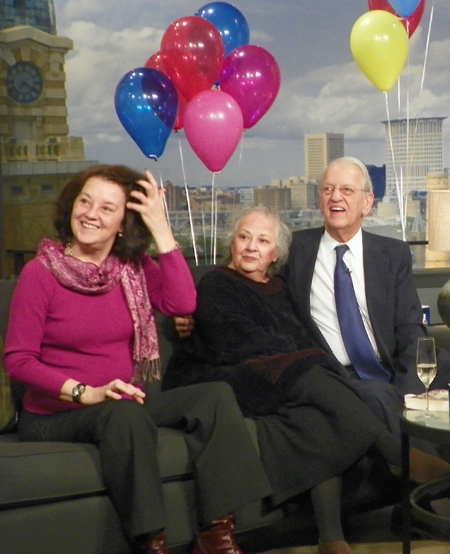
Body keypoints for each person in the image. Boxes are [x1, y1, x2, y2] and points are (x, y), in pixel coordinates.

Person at [4, 165, 272, 554]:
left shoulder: (131, 268)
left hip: (126, 399)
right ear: (71, 206)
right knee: (124, 413)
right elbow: (19, 360)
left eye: (107, 208)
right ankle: (150, 542)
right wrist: (87, 393)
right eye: (85, 201)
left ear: (122, 224)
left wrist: (162, 231)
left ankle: (217, 534)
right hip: (55, 414)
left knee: (214, 396)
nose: (91, 213)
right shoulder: (40, 273)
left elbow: (181, 302)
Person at [163, 205, 450, 554]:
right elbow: (235, 342)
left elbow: (300, 338)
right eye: (244, 237)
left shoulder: (280, 289)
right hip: (223, 377)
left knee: (316, 419)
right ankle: (395, 452)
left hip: (278, 378)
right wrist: (299, 359)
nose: (251, 246)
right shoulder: (217, 282)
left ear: (275, 254)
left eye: (262, 240)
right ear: (232, 244)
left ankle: (330, 538)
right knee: (311, 367)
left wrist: (299, 358)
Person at [281, 156, 450, 442]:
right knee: (376, 394)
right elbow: (247, 276)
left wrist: (406, 393)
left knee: (438, 367)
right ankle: (427, 472)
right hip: (335, 374)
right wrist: (191, 311)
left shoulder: (392, 254)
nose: (335, 197)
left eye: (347, 190)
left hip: (389, 367)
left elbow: (410, 330)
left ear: (367, 203)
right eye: (327, 189)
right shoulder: (294, 250)